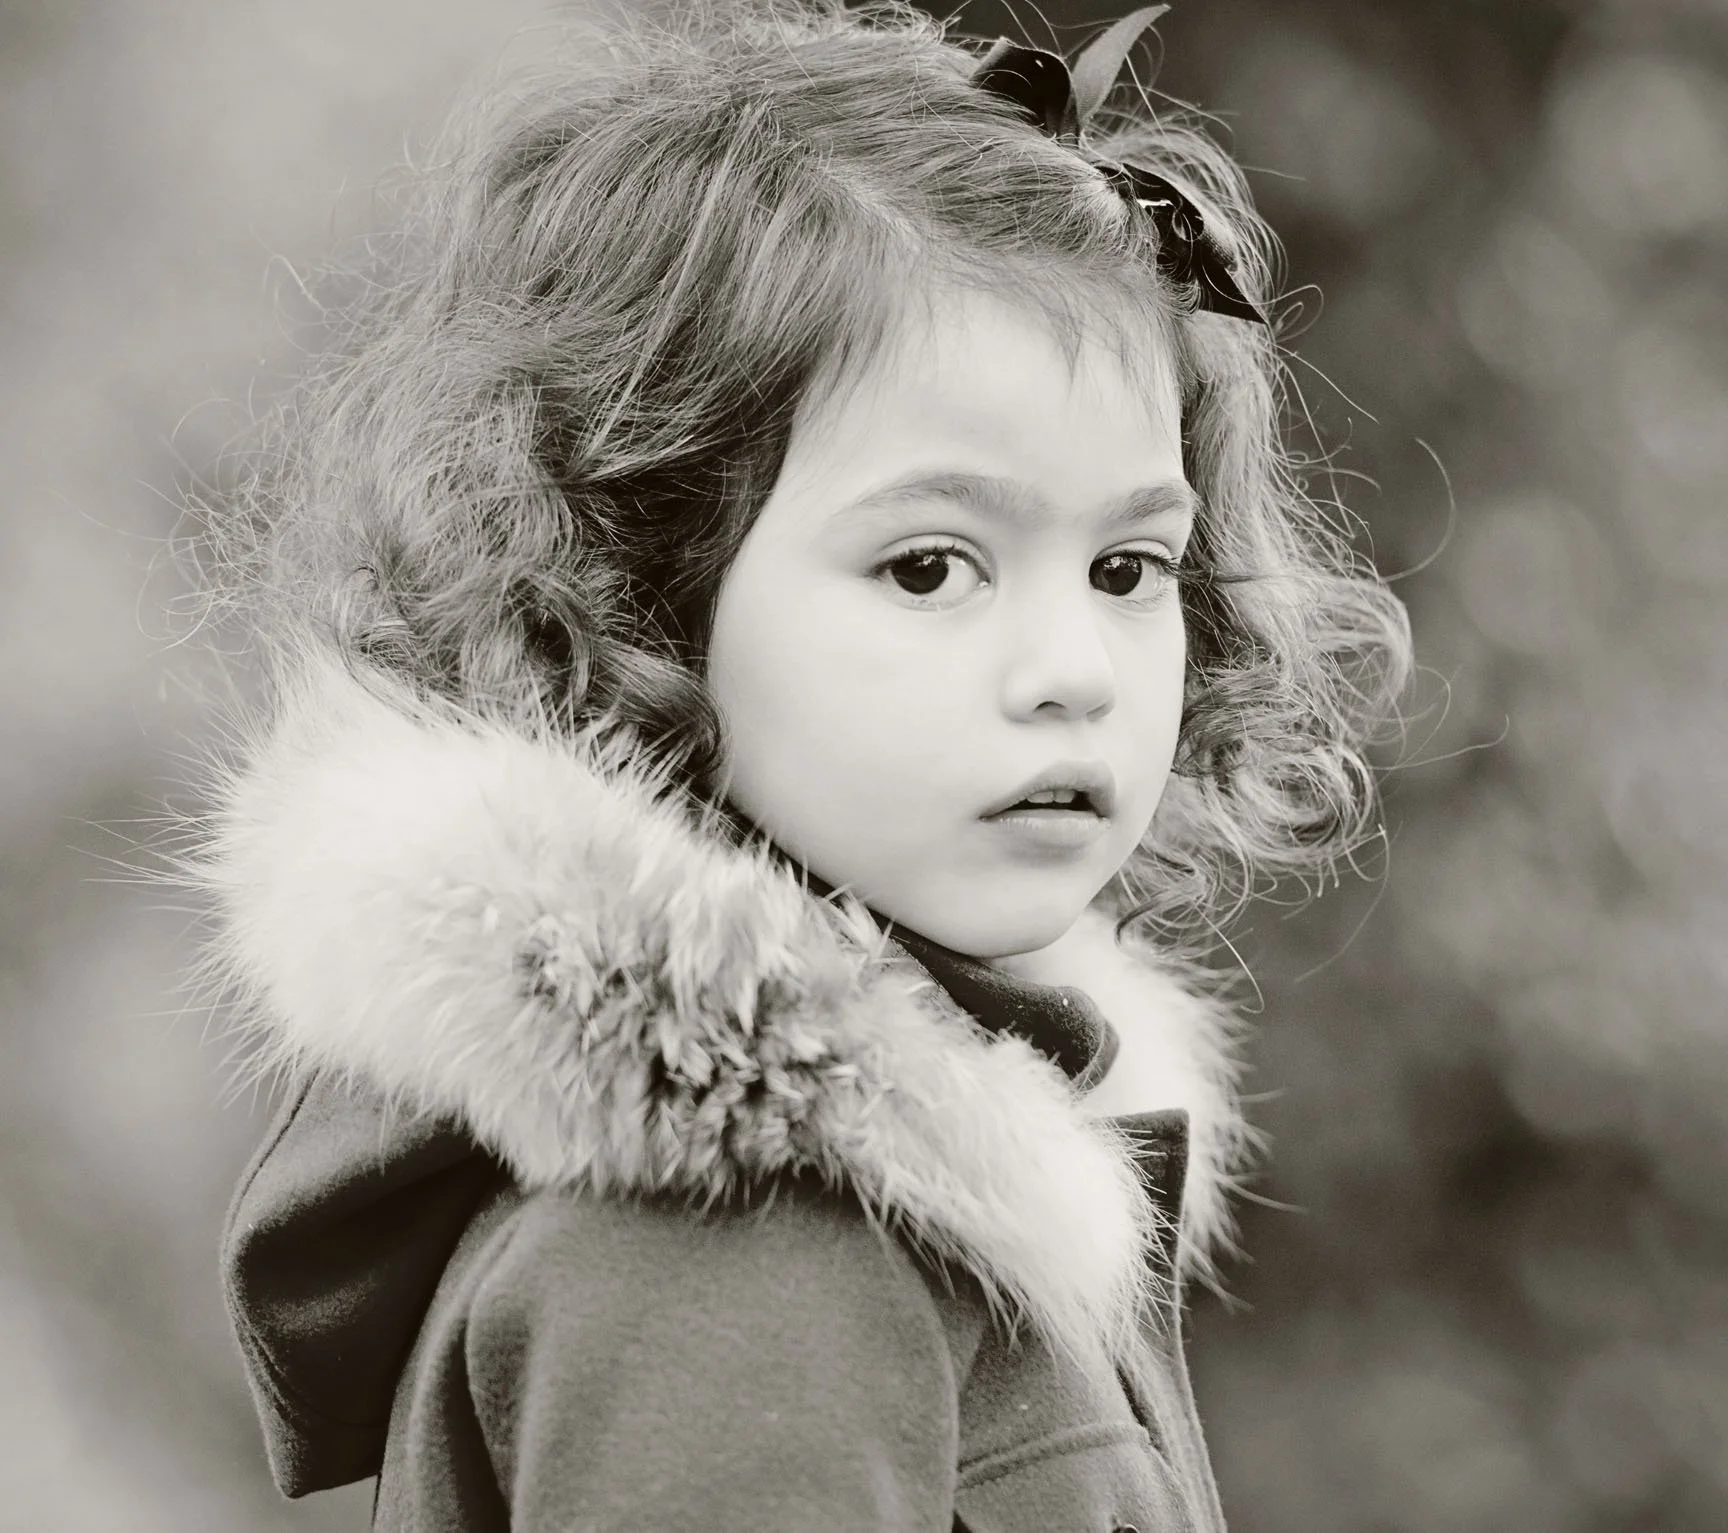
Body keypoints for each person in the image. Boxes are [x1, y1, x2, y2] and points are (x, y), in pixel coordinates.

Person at [201, 1, 1411, 1526]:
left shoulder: (938, 1158)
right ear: (644, 589)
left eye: (1128, 569)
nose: (1072, 672)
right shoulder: (740, 1249)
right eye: (927, 566)